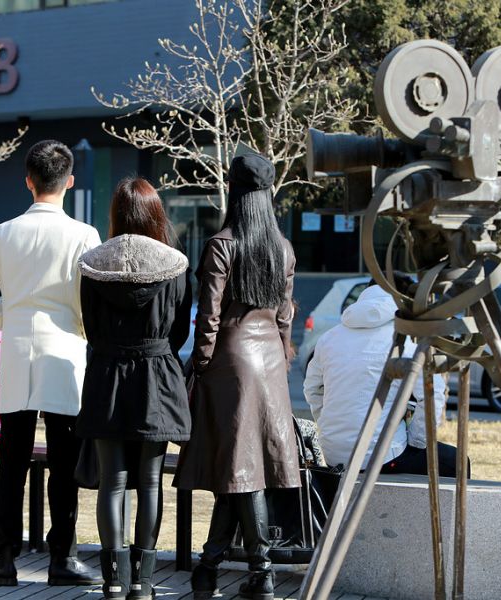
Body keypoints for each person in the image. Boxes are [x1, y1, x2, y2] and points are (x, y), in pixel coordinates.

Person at [0, 140, 102, 587]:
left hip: (18, 351)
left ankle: (5, 559)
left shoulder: (1, 232)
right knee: (64, 461)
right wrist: (78, 326)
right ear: (70, 181)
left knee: (12, 461)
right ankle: (63, 558)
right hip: (65, 352)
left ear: (28, 181)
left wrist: (11, 317)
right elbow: (91, 302)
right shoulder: (84, 235)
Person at [174, 153, 300, 600]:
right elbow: (284, 316)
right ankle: (211, 569)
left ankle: (258, 571)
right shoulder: (283, 248)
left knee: (241, 470)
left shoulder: (221, 244)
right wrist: (281, 360)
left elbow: (208, 316)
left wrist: (201, 364)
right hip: (270, 363)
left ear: (234, 191)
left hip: (231, 361)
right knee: (242, 470)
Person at [76, 177, 192, 599]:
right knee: (150, 482)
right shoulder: (176, 265)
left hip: (107, 374)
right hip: (157, 377)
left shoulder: (93, 264)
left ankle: (112, 579)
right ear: (155, 213)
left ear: (116, 214)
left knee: (112, 481)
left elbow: (91, 329)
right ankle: (142, 582)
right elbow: (180, 331)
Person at [303, 279, 468, 477]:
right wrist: (417, 441)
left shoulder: (329, 338)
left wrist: (329, 424)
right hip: (384, 456)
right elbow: (433, 394)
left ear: (365, 294)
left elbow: (311, 389)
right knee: (458, 462)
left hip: (333, 454)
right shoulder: (408, 340)